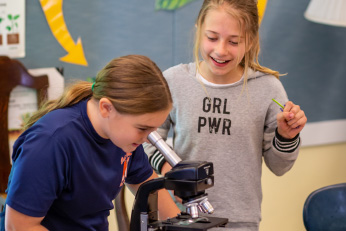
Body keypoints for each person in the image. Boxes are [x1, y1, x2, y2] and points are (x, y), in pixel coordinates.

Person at [143, 0, 308, 230]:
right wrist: (171, 174)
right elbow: (148, 139)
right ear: (199, 30)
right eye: (212, 38)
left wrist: (286, 136)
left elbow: (280, 167)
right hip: (179, 217)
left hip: (241, 222)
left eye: (234, 41)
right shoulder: (173, 81)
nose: (221, 50)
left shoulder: (268, 89)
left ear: (250, 41)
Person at [2, 54, 180, 231]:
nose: (148, 138)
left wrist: (182, 226)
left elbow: (150, 191)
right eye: (143, 128)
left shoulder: (124, 138)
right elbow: (18, 226)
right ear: (106, 108)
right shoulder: (50, 142)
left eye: (153, 129)